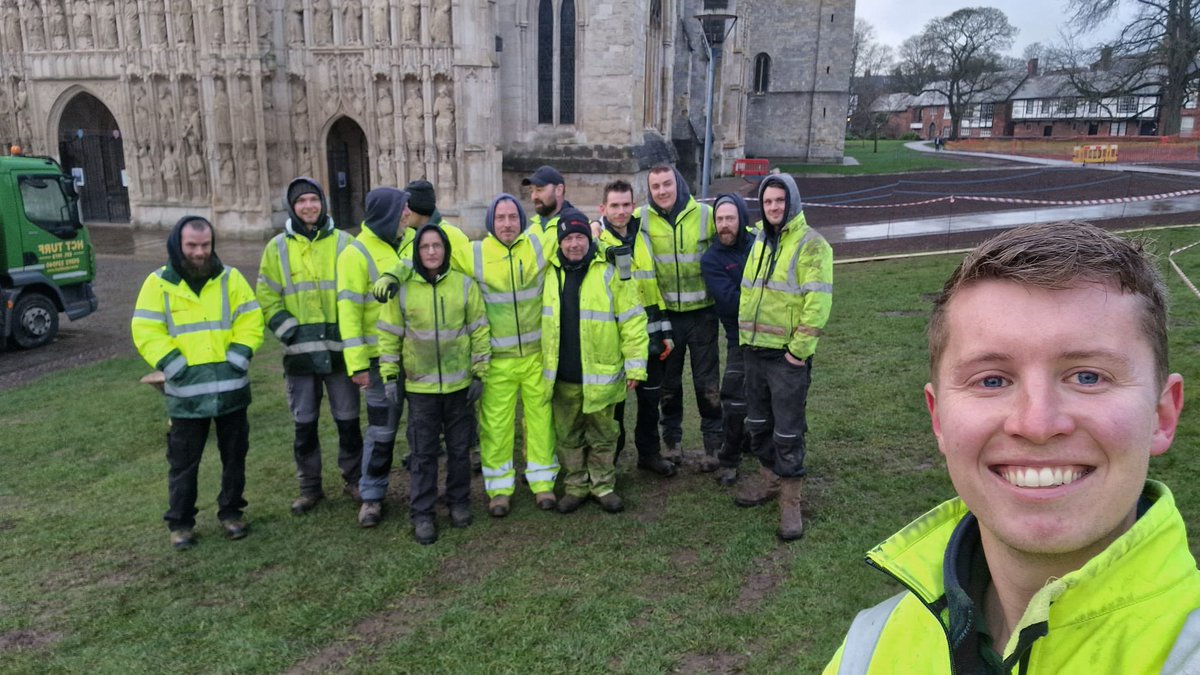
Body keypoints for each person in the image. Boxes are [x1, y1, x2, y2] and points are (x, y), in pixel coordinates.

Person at [824, 221, 1199, 673]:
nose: (1037, 424)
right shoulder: (869, 648)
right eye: (993, 380)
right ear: (938, 418)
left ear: (1161, 415)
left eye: (1088, 376)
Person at [132, 216, 264, 550]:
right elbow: (146, 329)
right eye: (192, 245)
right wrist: (174, 365)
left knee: (234, 456)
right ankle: (180, 523)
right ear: (178, 244)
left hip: (230, 389)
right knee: (183, 462)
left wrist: (238, 357)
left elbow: (250, 319)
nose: (200, 252)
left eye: (205, 245)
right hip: (187, 393)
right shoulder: (157, 283)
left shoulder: (231, 279)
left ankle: (232, 513)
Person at [377, 224, 490, 545]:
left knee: (458, 450)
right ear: (417, 251)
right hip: (420, 389)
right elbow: (388, 335)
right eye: (425, 246)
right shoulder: (404, 289)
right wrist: (389, 375)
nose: (431, 252)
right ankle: (423, 513)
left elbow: (479, 330)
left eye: (436, 246)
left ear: (445, 249)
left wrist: (480, 372)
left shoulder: (464, 286)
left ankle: (458, 502)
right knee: (423, 453)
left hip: (459, 386)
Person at [258, 177, 363, 516]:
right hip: (299, 354)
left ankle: (354, 478)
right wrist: (288, 331)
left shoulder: (345, 242)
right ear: (293, 206)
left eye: (313, 200)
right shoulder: (276, 248)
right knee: (305, 423)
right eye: (301, 201)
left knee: (347, 420)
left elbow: (357, 289)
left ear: (323, 203)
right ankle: (309, 486)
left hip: (338, 351)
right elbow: (266, 295)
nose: (308, 206)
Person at [738, 173, 832, 541]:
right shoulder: (760, 241)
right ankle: (770, 480)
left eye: (779, 201)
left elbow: (818, 303)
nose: (773, 207)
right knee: (758, 423)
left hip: (786, 358)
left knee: (788, 429)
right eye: (767, 202)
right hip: (754, 350)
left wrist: (798, 353)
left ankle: (790, 502)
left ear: (791, 202)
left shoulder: (812, 245)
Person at [541, 208, 648, 514]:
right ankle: (575, 486)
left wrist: (636, 366)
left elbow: (632, 321)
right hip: (563, 376)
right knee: (569, 435)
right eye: (568, 238)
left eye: (580, 237)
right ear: (560, 242)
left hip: (602, 375)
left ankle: (603, 485)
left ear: (590, 239)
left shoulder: (610, 271)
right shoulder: (548, 274)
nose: (574, 244)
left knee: (603, 435)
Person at [470, 194, 558, 516]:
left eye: (512, 217)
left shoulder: (536, 245)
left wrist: (592, 225)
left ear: (521, 220)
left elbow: (572, 231)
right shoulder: (475, 253)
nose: (507, 224)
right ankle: (499, 489)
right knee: (496, 426)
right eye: (500, 218)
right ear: (491, 222)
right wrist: (395, 273)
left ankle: (542, 482)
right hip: (497, 361)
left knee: (540, 421)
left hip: (535, 357)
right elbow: (429, 255)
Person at [640, 163, 723, 468]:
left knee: (707, 384)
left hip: (703, 315)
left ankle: (713, 446)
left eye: (666, 184)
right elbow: (612, 225)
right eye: (655, 186)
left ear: (678, 183)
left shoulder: (704, 215)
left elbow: (734, 234)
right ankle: (671, 443)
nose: (662, 191)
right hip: (667, 319)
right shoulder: (642, 219)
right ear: (649, 190)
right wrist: (596, 227)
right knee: (669, 386)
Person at [595, 179, 677, 478]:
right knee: (614, 407)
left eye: (626, 205)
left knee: (649, 400)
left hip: (649, 335)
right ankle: (610, 461)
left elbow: (653, 286)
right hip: (614, 337)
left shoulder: (642, 236)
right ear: (603, 208)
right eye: (614, 206)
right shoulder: (595, 241)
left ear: (634, 206)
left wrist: (665, 332)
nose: (620, 211)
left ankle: (649, 454)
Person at [336, 187, 408, 528]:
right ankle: (372, 495)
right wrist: (358, 365)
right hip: (379, 363)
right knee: (382, 430)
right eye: (402, 211)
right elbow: (348, 313)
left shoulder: (406, 244)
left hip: (412, 354)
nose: (408, 215)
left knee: (420, 431)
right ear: (387, 215)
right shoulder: (356, 253)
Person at [700, 192, 755, 486]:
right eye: (719, 219)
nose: (724, 225)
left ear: (741, 219)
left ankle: (756, 444)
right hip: (740, 339)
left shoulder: (760, 244)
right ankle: (729, 460)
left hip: (775, 337)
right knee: (733, 400)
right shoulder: (711, 259)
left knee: (771, 399)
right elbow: (730, 303)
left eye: (730, 218)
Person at [523, 165, 578, 249]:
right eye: (531, 191)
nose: (534, 197)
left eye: (539, 190)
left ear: (559, 190)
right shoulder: (531, 229)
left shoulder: (578, 226)